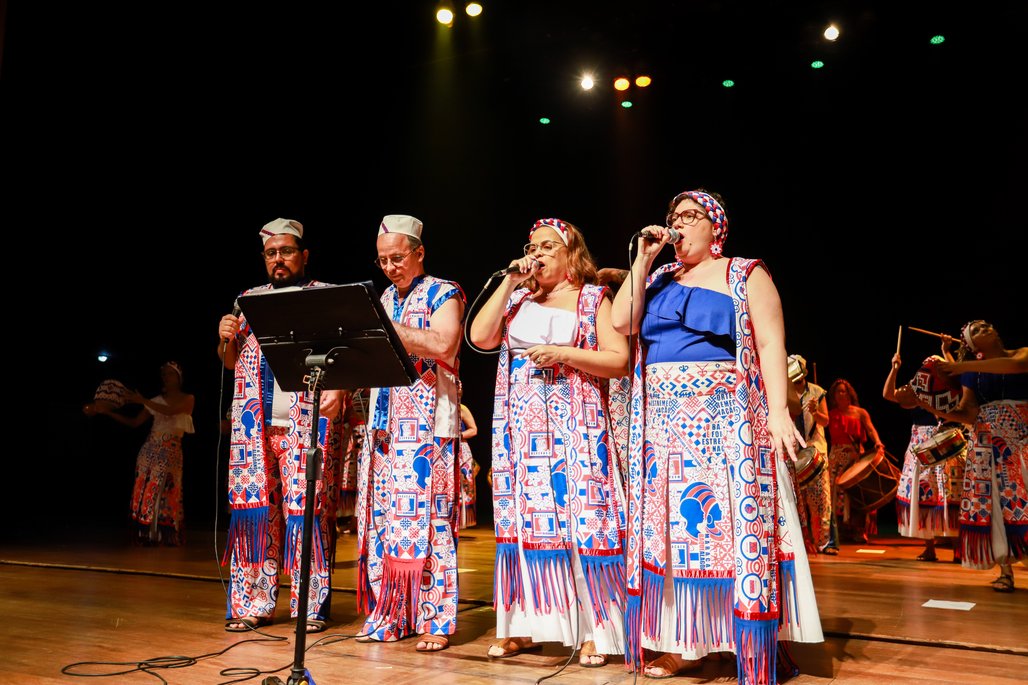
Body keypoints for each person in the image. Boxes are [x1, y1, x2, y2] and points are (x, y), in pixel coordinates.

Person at [610, 189, 822, 682]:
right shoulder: (659, 276)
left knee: (726, 533)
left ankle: (735, 638)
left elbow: (771, 343)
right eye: (673, 216)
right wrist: (642, 261)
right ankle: (684, 643)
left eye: (690, 216)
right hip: (663, 423)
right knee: (677, 535)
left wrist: (776, 413)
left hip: (724, 418)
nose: (678, 225)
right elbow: (621, 322)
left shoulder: (745, 273)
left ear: (715, 227)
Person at [469, 217, 629, 668]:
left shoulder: (592, 297)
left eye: (546, 247)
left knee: (584, 523)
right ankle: (527, 626)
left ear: (570, 255)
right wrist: (508, 282)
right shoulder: (517, 300)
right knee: (526, 524)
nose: (536, 254)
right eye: (531, 246)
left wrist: (565, 354)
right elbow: (480, 338)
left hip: (577, 428)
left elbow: (618, 360)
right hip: (521, 432)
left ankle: (600, 630)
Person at [217, 218, 343, 633]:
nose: (278, 260)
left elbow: (347, 351)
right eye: (271, 253)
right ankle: (254, 602)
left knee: (305, 513)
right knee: (256, 514)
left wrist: (341, 389)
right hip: (254, 428)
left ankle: (308, 606)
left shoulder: (322, 297)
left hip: (304, 425)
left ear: (303, 255)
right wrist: (225, 338)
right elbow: (230, 361)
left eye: (286, 251)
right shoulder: (248, 300)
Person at [355, 214, 465, 652]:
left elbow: (444, 345)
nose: (389, 268)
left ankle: (436, 620)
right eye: (382, 260)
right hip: (383, 426)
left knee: (432, 523)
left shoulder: (444, 291)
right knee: (381, 523)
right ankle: (391, 614)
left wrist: (381, 328)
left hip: (427, 429)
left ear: (420, 253)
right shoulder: (382, 295)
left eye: (397, 258)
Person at [915, 320, 1027, 591]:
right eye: (976, 330)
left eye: (986, 325)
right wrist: (934, 408)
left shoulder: (1020, 354)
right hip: (986, 443)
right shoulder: (970, 375)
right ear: (971, 344)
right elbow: (968, 412)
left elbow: (1014, 367)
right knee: (996, 507)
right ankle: (1005, 570)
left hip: (1019, 439)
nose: (986, 327)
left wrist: (960, 366)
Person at [84, 361, 195, 546]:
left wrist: (143, 400)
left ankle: (163, 534)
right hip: (150, 449)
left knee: (166, 491)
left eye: (170, 374)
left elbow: (170, 411)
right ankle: (148, 535)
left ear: (179, 378)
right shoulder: (156, 400)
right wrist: (108, 413)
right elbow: (135, 423)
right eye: (165, 374)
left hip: (172, 451)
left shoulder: (188, 398)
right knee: (147, 492)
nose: (166, 377)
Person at [882, 345, 965, 562]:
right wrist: (894, 369)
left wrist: (946, 352)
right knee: (923, 495)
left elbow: (958, 377)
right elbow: (888, 395)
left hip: (944, 441)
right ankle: (930, 548)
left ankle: (957, 547)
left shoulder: (951, 388)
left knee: (949, 495)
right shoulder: (916, 389)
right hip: (920, 443)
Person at [826, 378, 886, 545]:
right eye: (838, 391)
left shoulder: (860, 413)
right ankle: (841, 531)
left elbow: (871, 429)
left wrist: (878, 442)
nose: (841, 394)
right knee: (836, 494)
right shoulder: (830, 414)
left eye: (843, 390)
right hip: (836, 456)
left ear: (849, 393)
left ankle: (859, 530)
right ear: (833, 395)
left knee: (857, 494)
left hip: (856, 456)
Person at [785, 354, 833, 555]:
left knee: (820, 502)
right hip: (793, 453)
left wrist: (815, 412)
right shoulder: (783, 393)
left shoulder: (816, 392)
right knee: (795, 503)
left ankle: (824, 543)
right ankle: (799, 543)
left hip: (815, 453)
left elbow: (826, 422)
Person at [458, 389, 480, 529]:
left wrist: (457, 435)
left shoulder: (462, 408)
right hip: (444, 447)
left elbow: (473, 429)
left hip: (461, 447)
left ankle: (462, 522)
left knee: (464, 485)